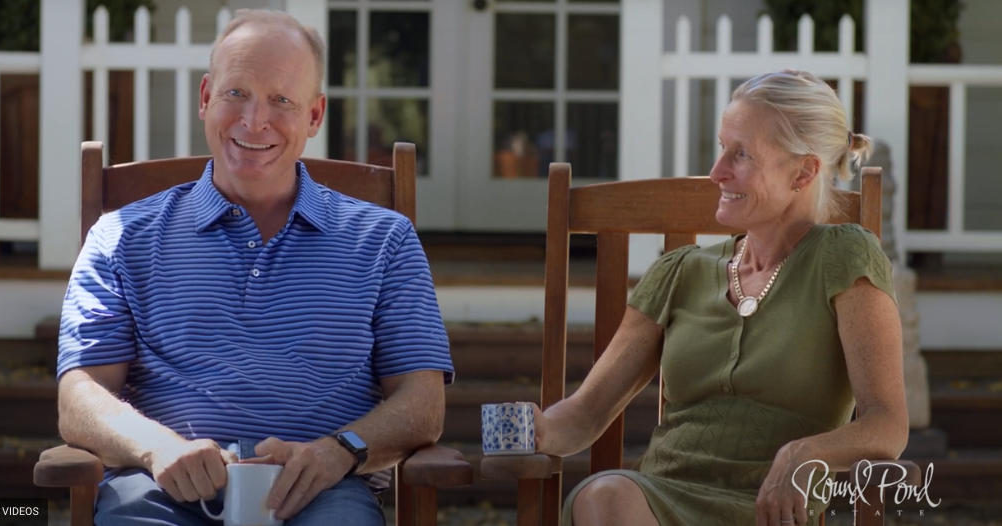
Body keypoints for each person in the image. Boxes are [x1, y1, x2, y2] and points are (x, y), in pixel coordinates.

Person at [55, 10, 453, 526]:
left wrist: (342, 450)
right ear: (205, 99)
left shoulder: (384, 240)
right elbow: (80, 394)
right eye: (236, 93)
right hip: (161, 489)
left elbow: (424, 402)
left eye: (282, 100)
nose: (254, 120)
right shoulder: (122, 236)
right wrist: (158, 448)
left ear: (314, 117)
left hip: (323, 491)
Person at [533, 70, 909, 526]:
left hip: (768, 512)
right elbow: (587, 413)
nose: (716, 172)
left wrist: (803, 455)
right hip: (653, 502)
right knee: (606, 497)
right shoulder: (680, 272)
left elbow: (887, 423)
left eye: (742, 154)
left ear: (804, 171)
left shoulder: (844, 257)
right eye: (721, 147)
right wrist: (537, 428)